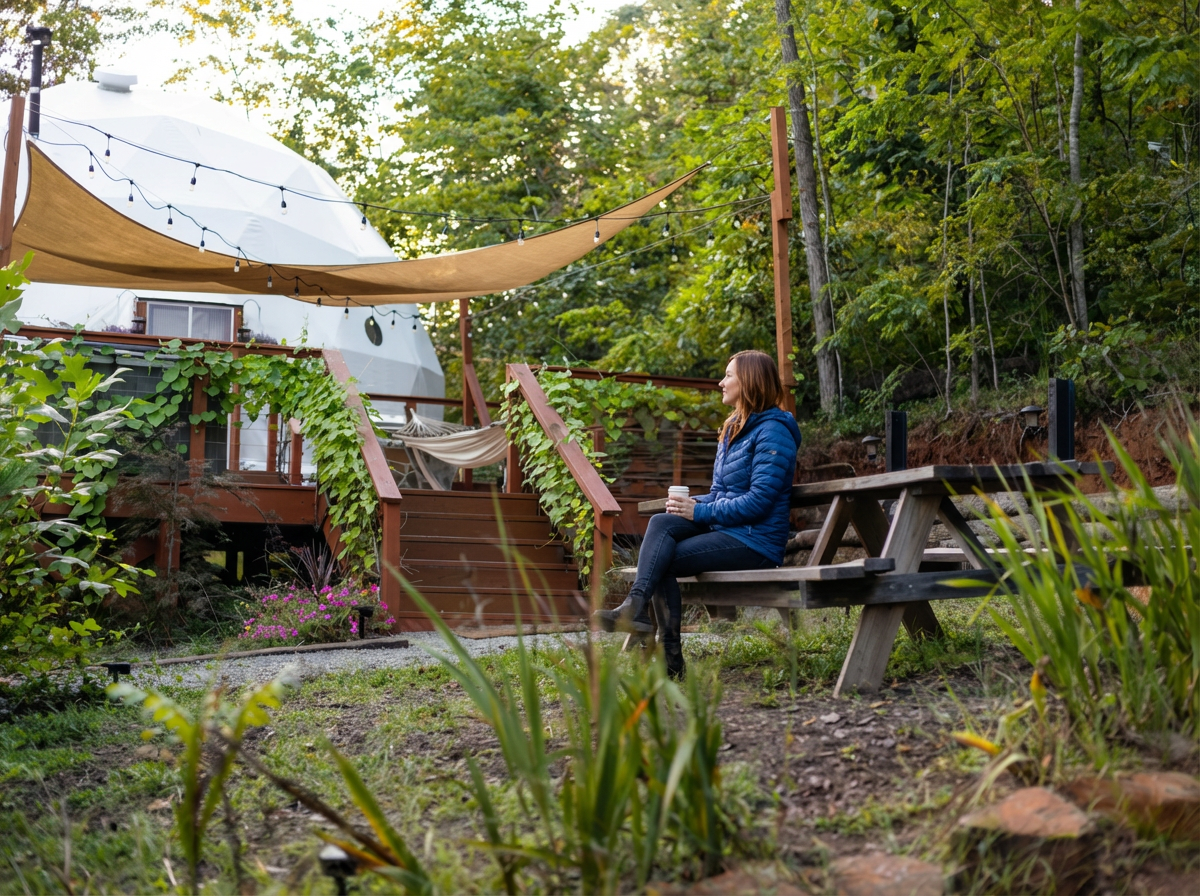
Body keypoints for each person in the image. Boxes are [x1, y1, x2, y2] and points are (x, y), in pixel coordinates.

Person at [596, 349, 801, 678]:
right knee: (662, 522)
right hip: (730, 529)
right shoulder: (734, 427)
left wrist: (698, 511)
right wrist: (691, 506)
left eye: (728, 375)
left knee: (661, 558)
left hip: (756, 540)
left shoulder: (773, 432)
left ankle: (669, 654)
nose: (721, 382)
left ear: (748, 381)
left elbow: (760, 501)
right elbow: (722, 494)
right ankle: (639, 613)